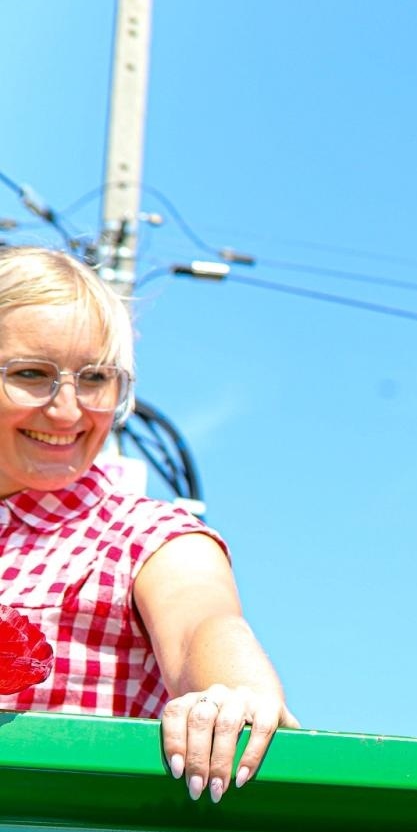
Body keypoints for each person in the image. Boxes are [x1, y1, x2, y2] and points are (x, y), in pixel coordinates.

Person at [0, 246, 295, 802]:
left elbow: (202, 626)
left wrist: (234, 692)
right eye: (32, 375)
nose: (67, 411)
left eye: (95, 379)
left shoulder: (149, 537)